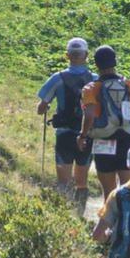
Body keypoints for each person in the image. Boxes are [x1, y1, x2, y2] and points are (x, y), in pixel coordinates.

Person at [78, 45, 130, 200]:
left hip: (102, 140)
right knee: (127, 189)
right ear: (115, 62)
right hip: (126, 139)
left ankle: (110, 223)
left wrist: (83, 136)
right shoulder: (128, 85)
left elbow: (89, 115)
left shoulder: (91, 88)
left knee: (109, 193)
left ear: (96, 64)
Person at [37, 37, 96, 216]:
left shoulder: (58, 78)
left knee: (63, 179)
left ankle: (62, 216)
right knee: (82, 179)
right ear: (86, 55)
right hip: (87, 135)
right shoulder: (94, 79)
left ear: (67, 56)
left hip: (64, 134)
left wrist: (44, 106)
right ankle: (79, 214)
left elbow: (41, 108)